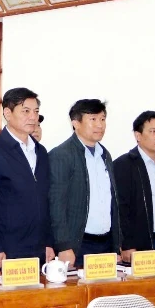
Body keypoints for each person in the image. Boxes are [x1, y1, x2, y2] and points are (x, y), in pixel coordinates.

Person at [0, 88, 54, 267]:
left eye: (36, 111)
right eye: (26, 111)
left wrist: (49, 242)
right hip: (8, 248)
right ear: (7, 113)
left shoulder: (40, 151)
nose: (33, 117)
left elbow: (47, 200)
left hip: (39, 247)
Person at [49, 99, 121, 268]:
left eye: (102, 119)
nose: (100, 125)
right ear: (76, 123)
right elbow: (56, 204)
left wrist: (117, 243)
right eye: (93, 119)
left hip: (106, 243)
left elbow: (112, 202)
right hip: (78, 245)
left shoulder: (105, 155)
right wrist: (63, 245)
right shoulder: (62, 155)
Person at [114, 111, 155, 260]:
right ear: (138, 135)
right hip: (141, 245)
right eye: (153, 131)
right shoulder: (124, 165)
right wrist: (126, 244)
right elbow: (120, 209)